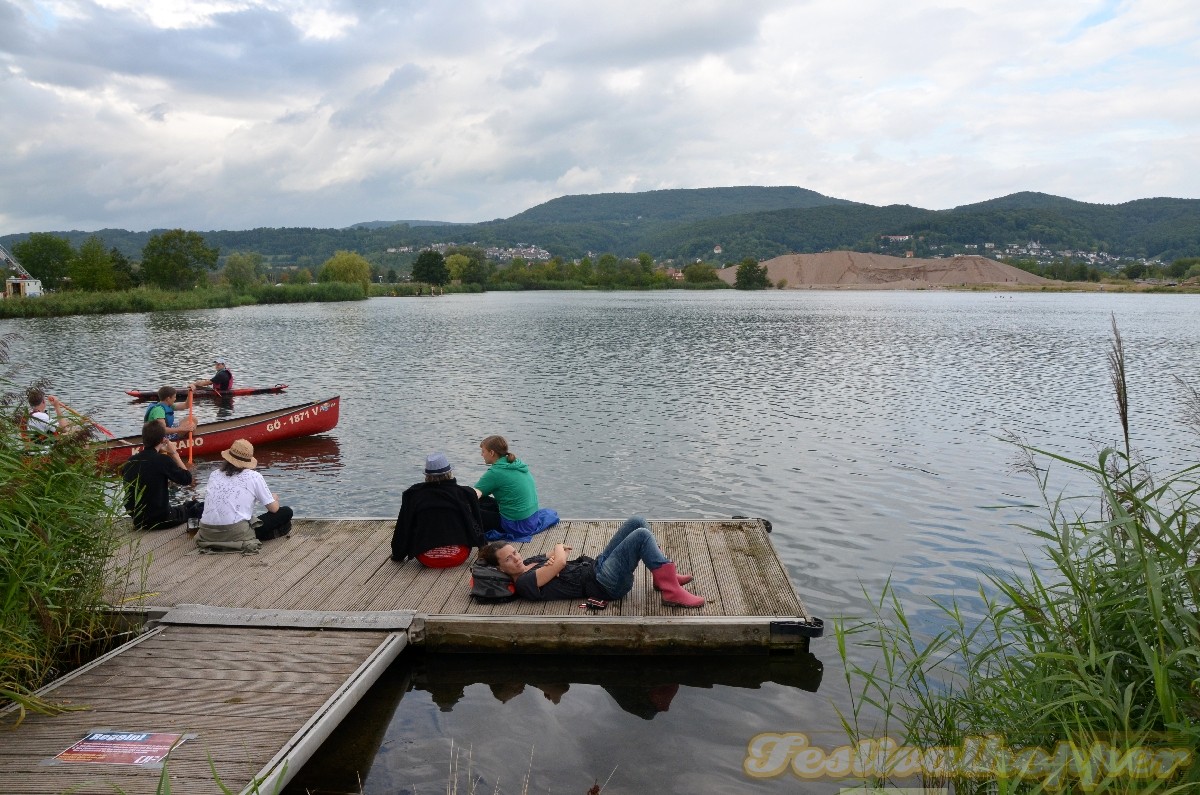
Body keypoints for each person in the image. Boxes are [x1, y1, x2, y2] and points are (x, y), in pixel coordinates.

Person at [477, 516, 704, 607]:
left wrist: (557, 555)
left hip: (598, 566)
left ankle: (662, 580)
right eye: (509, 558)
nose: (516, 558)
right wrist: (556, 556)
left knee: (637, 522)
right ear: (500, 568)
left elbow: (561, 553)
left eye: (515, 552)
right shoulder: (525, 582)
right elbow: (560, 560)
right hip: (605, 584)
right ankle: (671, 591)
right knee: (641, 537)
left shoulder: (528, 563)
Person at [196, 439, 293, 550]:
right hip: (236, 533)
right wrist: (274, 498)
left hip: (207, 533)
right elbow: (274, 509)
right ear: (248, 461)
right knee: (286, 512)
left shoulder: (214, 475)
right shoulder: (254, 477)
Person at [392, 452, 485, 567]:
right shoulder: (465, 493)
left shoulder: (413, 495)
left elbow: (403, 527)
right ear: (449, 472)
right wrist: (482, 546)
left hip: (426, 558)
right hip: (458, 556)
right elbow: (477, 524)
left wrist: (397, 555)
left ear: (427, 475)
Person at [473, 435, 558, 541]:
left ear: (492, 453)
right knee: (485, 501)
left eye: (483, 451)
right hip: (531, 520)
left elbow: (472, 496)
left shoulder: (495, 472)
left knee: (470, 508)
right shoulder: (516, 463)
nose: (482, 455)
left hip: (516, 526)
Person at [121, 422, 203, 531]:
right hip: (160, 519)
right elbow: (187, 479)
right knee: (196, 506)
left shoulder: (130, 462)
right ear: (162, 440)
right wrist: (174, 453)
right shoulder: (162, 460)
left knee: (185, 506)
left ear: (143, 439)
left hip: (138, 520)